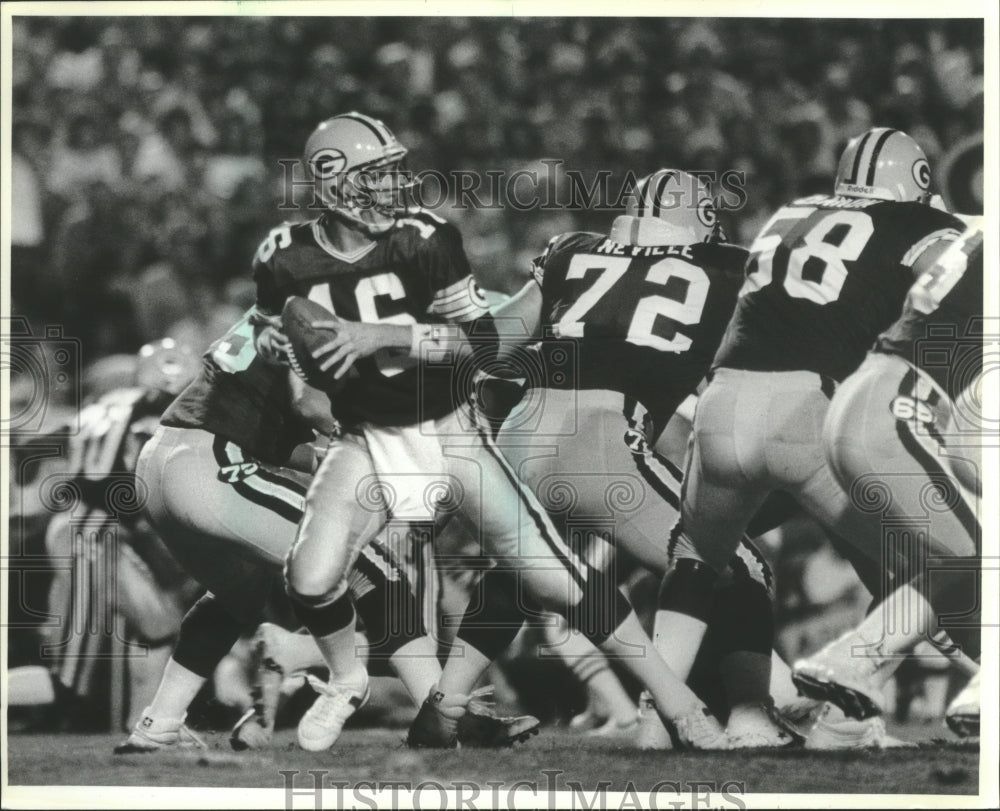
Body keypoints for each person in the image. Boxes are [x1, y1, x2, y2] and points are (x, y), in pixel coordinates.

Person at [260, 114, 730, 751]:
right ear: (333, 180)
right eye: (378, 174)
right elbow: (287, 359)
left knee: (549, 579)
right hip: (366, 438)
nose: (396, 185)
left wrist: (386, 337)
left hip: (450, 429)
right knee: (315, 579)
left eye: (395, 171)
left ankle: (678, 709)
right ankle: (359, 681)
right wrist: (307, 386)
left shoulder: (427, 238)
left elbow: (483, 342)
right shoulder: (283, 257)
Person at [663, 127, 966, 745]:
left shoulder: (791, 214)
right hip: (808, 411)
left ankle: (663, 715)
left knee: (694, 563)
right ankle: (853, 712)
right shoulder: (922, 229)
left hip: (720, 405)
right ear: (918, 185)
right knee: (924, 556)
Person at [114, 308, 534, 753]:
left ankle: (158, 722)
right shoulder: (328, 300)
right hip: (211, 464)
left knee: (239, 591)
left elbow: (279, 429)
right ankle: (449, 719)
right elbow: (309, 403)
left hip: (163, 463)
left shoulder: (288, 303)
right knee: (368, 564)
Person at [792, 217, 983, 732]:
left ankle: (849, 667)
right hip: (902, 406)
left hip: (870, 397)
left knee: (960, 563)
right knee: (980, 550)